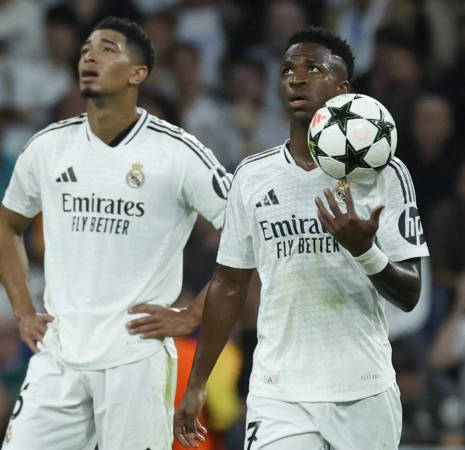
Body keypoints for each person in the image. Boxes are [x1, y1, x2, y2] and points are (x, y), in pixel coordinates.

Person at [175, 27, 429, 450]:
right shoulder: (252, 176)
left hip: (363, 388)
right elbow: (229, 284)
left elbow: (410, 292)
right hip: (280, 392)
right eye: (287, 69)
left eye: (313, 68)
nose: (296, 77)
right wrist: (197, 383)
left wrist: (365, 250)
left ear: (343, 89)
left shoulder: (382, 172)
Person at [0, 17, 231, 450]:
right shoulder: (47, 147)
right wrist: (23, 309)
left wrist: (193, 314)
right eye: (86, 49)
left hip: (134, 359)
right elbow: (7, 225)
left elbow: (246, 235)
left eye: (106, 49)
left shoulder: (178, 153)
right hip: (58, 354)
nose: (90, 56)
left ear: (138, 73)